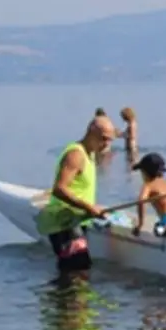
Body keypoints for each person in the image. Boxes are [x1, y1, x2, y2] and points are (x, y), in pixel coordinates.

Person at [37, 114, 116, 272]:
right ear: (90, 131)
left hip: (76, 220)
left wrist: (91, 207)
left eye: (110, 140)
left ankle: (62, 296)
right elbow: (59, 189)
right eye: (104, 138)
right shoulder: (76, 155)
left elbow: (80, 189)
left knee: (78, 273)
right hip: (64, 221)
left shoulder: (90, 154)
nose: (106, 144)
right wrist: (88, 207)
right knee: (76, 274)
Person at [131, 152, 166, 236]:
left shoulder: (148, 185)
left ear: (145, 173)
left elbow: (141, 202)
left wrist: (140, 225)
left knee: (158, 227)